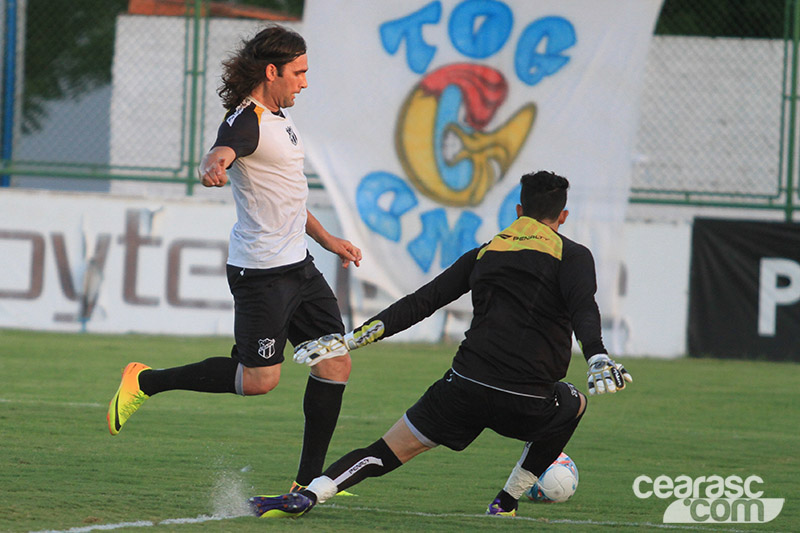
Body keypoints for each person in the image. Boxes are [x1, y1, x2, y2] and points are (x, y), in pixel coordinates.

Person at [247, 170, 633, 519]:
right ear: (562, 216)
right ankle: (505, 502)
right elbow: (584, 308)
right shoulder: (574, 256)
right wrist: (597, 353)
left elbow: (420, 303)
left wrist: (348, 340)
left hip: (463, 387)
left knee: (381, 452)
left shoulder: (484, 253)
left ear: (518, 210)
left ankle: (311, 495)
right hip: (528, 399)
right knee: (573, 403)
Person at [106, 24, 363, 493]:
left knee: (335, 363)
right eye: (299, 73)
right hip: (262, 274)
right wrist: (213, 165)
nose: (304, 82)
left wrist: (327, 240)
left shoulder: (280, 119)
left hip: (299, 268)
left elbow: (286, 196)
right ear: (272, 71)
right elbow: (221, 150)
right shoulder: (247, 121)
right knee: (259, 381)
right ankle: (145, 382)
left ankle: (307, 485)